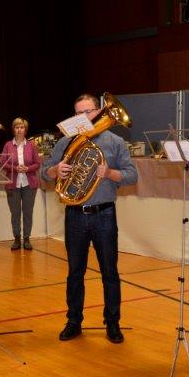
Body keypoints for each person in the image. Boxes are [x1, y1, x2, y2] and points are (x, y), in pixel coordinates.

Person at [44, 94, 138, 344]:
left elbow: (132, 175)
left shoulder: (115, 141)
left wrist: (109, 173)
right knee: (75, 272)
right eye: (78, 113)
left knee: (110, 272)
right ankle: (74, 321)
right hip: (75, 214)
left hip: (104, 214)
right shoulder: (65, 141)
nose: (84, 117)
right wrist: (56, 170)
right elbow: (44, 172)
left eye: (88, 111)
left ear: (99, 111)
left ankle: (113, 323)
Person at [1, 117, 41, 251]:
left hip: (29, 184)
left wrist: (27, 168)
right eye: (17, 127)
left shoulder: (31, 145)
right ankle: (17, 238)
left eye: (22, 127)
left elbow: (38, 163)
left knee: (28, 212)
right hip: (13, 184)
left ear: (25, 130)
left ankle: (27, 239)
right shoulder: (7, 145)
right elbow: (2, 162)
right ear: (13, 129)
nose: (19, 130)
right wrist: (15, 168)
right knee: (15, 213)